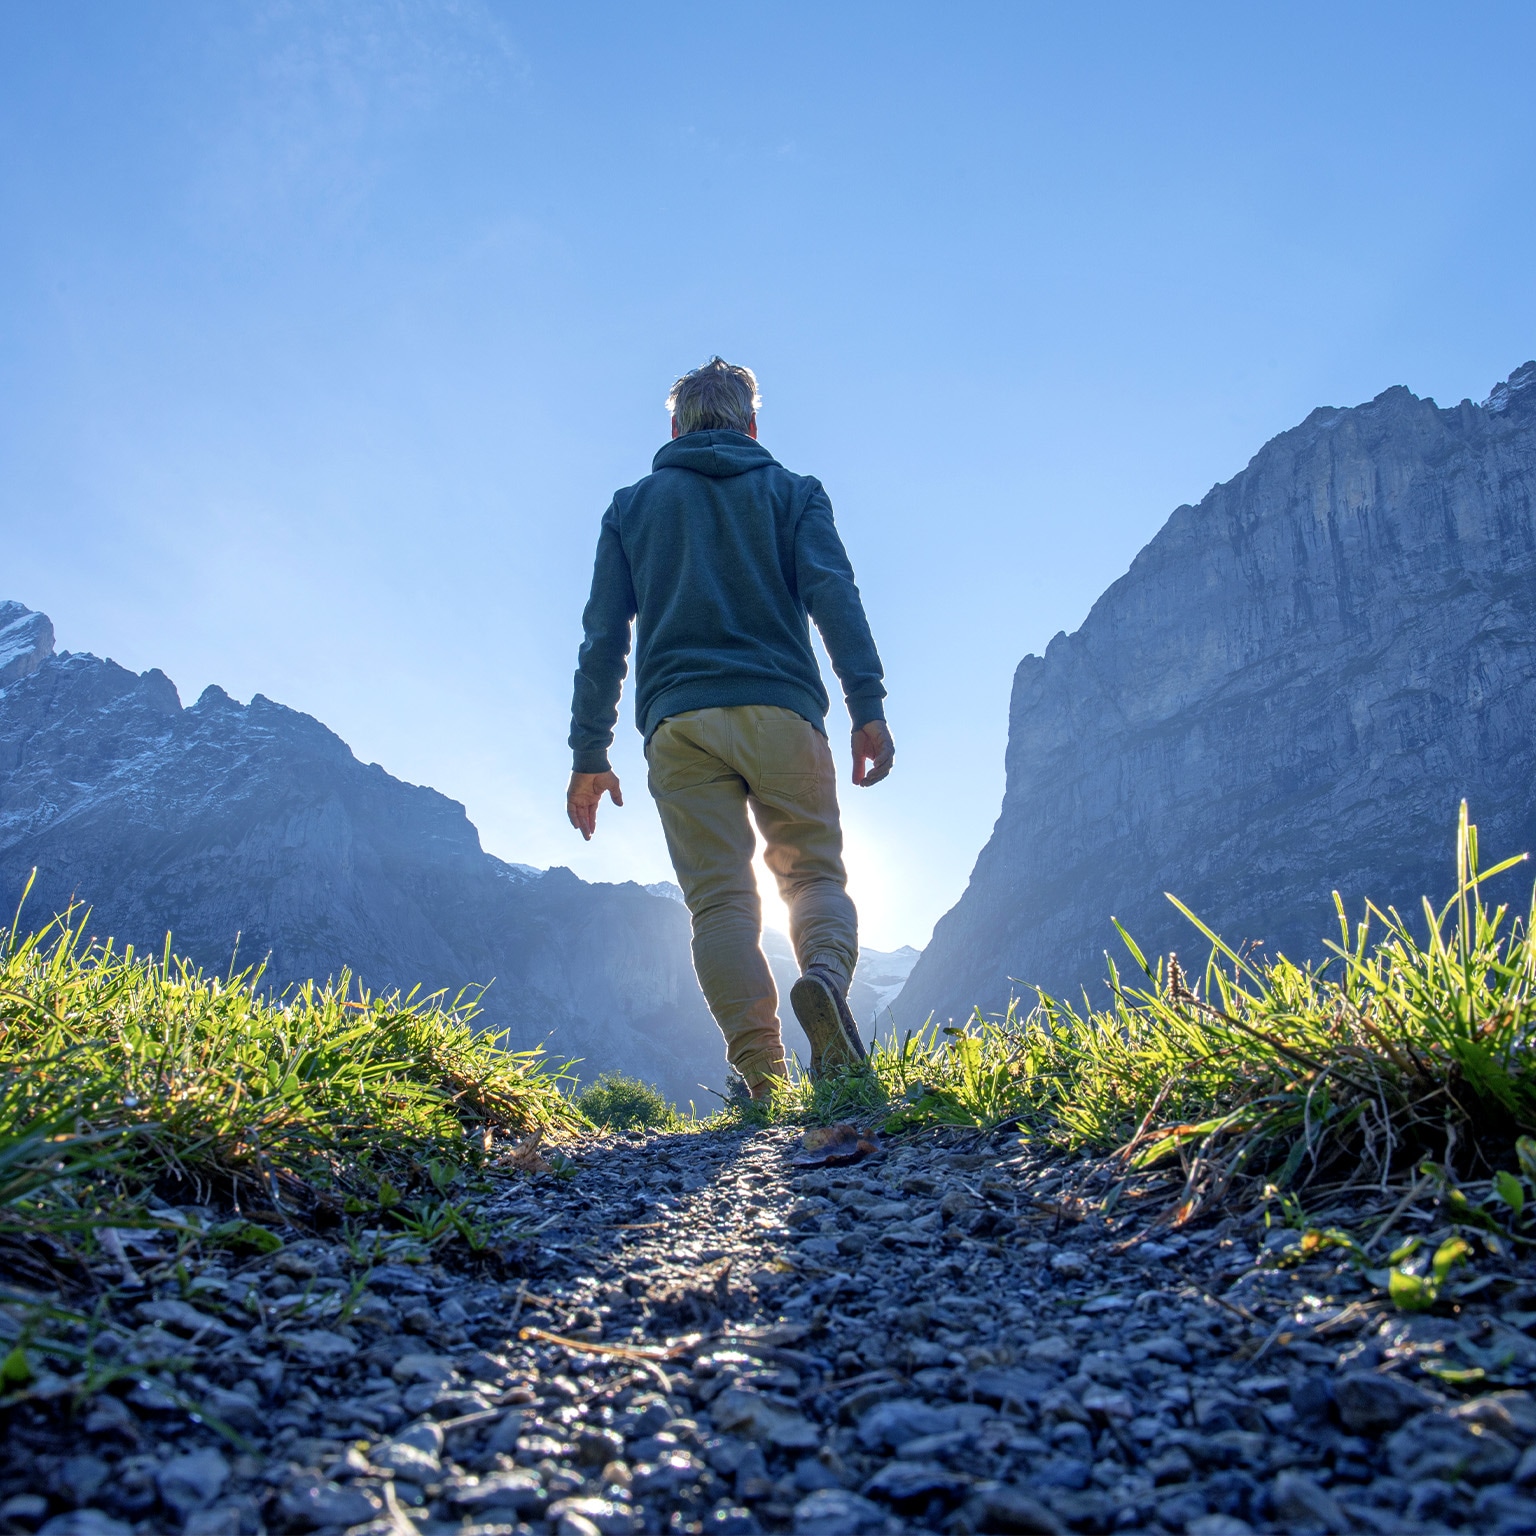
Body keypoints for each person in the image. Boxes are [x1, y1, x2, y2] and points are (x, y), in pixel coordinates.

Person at [566, 357, 894, 1098]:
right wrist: (866, 707)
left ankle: (764, 1079)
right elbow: (834, 597)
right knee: (812, 875)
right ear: (751, 423)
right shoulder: (794, 494)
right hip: (782, 711)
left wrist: (590, 751)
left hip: (679, 725)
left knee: (719, 902)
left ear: (674, 426)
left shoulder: (631, 508)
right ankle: (824, 987)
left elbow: (603, 640)